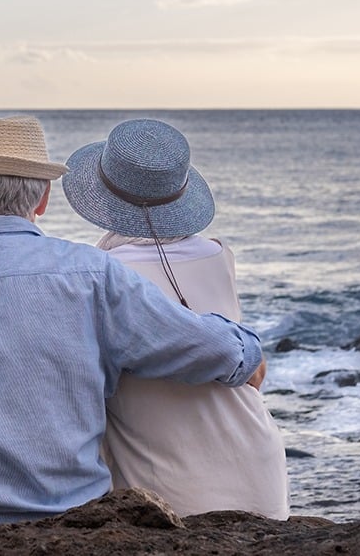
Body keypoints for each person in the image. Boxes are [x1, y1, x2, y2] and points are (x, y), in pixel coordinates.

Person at [0, 113, 265, 554]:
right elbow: (203, 346)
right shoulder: (92, 274)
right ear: (44, 198)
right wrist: (246, 350)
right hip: (64, 518)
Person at [61, 118, 289, 519]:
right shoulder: (219, 255)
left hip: (172, 484)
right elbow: (255, 369)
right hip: (258, 463)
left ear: (104, 196)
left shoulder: (99, 277)